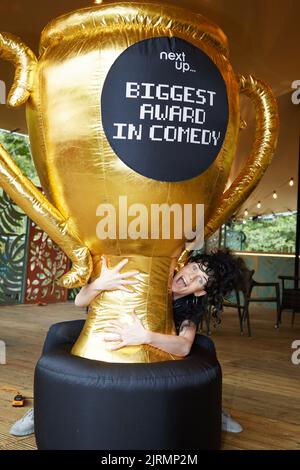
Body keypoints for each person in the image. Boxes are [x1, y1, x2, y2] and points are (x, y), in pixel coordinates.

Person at [10, 250, 243, 436]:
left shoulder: (190, 309)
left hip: (145, 344)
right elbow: (80, 301)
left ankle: (211, 410)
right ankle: (39, 409)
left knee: (205, 347)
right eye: (193, 268)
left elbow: (183, 346)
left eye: (200, 279)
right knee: (58, 332)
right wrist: (101, 283)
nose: (190, 277)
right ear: (183, 264)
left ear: (201, 292)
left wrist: (145, 337)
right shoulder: (145, 273)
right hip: (107, 328)